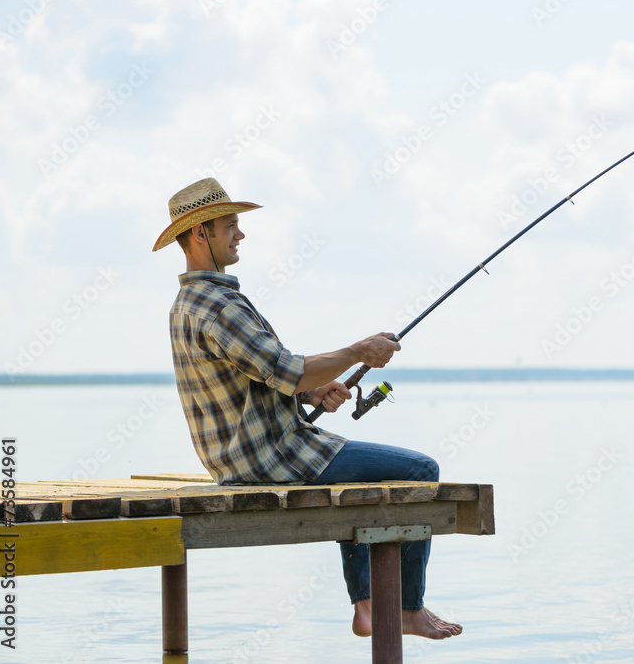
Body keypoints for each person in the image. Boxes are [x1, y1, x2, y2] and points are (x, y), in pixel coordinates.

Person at [153, 177, 462, 640]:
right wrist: (358, 351)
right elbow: (288, 369)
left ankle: (367, 606)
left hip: (243, 456)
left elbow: (258, 375)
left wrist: (309, 395)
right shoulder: (217, 305)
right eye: (231, 226)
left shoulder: (189, 302)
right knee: (420, 470)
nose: (241, 235)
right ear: (201, 234)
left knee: (367, 480)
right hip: (272, 457)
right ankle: (406, 607)